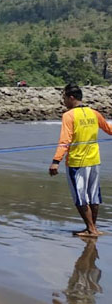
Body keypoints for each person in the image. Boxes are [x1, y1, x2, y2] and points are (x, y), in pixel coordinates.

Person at [49, 83, 112, 238]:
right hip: (94, 161)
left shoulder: (68, 115)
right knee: (93, 196)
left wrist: (56, 161)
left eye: (64, 98)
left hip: (77, 162)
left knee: (80, 197)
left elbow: (65, 140)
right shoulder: (94, 113)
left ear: (71, 98)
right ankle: (92, 227)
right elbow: (109, 129)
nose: (63, 101)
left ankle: (91, 230)